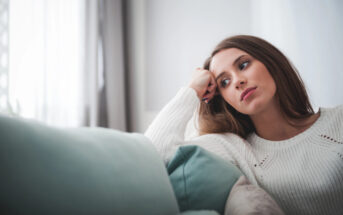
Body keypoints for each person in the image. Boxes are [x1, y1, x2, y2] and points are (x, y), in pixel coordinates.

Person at [144, 35, 343, 215]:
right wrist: (193, 90)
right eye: (224, 82)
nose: (237, 81)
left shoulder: (338, 119)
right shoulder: (235, 149)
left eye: (243, 65)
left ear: (270, 62)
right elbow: (152, 156)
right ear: (224, 99)